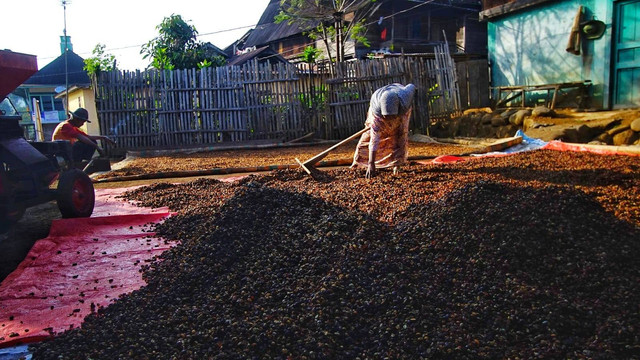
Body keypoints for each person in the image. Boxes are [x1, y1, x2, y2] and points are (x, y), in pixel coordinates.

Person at [351, 83, 416, 179]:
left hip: (401, 109)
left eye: (391, 116)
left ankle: (397, 164)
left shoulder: (405, 100)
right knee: (369, 135)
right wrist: (371, 163)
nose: (389, 120)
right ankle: (359, 164)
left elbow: (411, 86)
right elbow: (374, 139)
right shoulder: (377, 114)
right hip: (378, 107)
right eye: (387, 117)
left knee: (400, 134)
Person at [52, 108, 116, 164]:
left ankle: (82, 161)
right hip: (62, 152)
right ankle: (77, 163)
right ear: (76, 119)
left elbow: (87, 137)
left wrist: (103, 138)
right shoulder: (65, 125)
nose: (82, 124)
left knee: (91, 141)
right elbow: (81, 137)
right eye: (82, 122)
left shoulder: (73, 127)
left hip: (67, 150)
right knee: (80, 144)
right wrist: (97, 147)